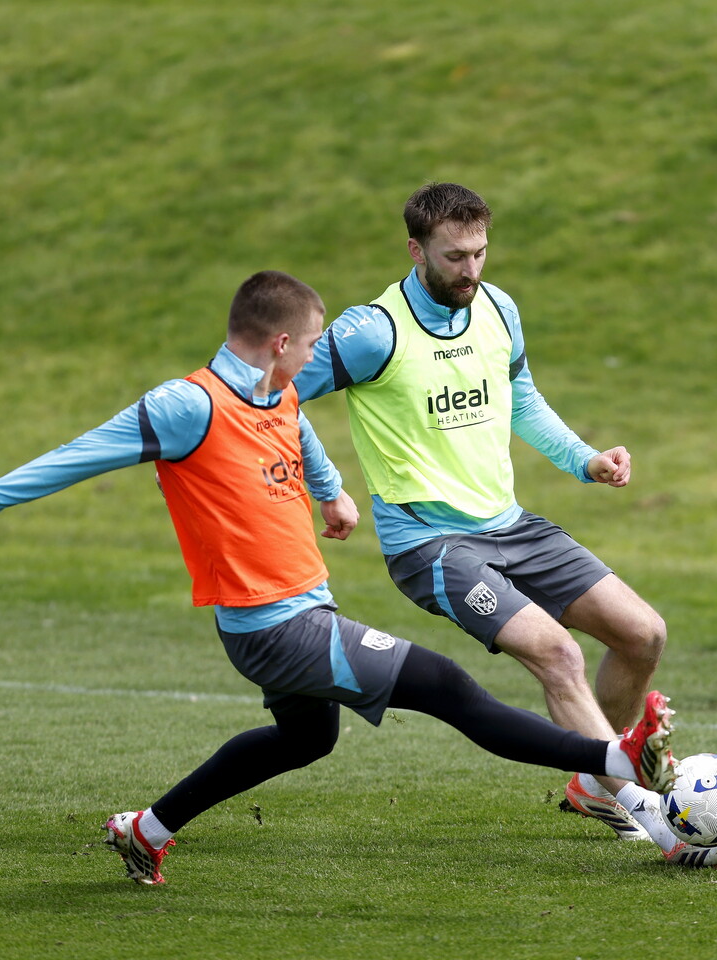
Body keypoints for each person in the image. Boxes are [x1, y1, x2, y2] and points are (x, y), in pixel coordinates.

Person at [0, 270, 717, 884]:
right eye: (313, 344)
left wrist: (332, 492)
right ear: (282, 343)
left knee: (305, 738)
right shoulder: (188, 406)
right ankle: (614, 758)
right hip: (273, 625)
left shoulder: (275, 390)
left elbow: (294, 428)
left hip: (300, 608)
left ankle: (147, 828)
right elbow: (76, 456)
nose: (319, 359)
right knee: (444, 685)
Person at [292, 182, 688, 855]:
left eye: (479, 253)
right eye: (454, 257)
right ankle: (646, 810)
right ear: (416, 250)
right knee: (558, 654)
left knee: (643, 633)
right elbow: (274, 395)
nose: (470, 270)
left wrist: (584, 459)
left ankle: (596, 783)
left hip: (511, 526)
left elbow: (521, 398)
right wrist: (327, 487)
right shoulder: (373, 332)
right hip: (430, 544)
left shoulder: (499, 307)